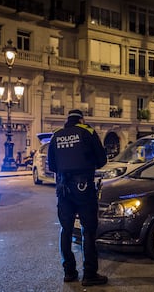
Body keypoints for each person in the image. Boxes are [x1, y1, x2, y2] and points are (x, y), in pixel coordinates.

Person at [48, 109, 108, 286]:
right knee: (87, 229)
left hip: (63, 189)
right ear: (81, 119)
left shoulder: (56, 135)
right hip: (84, 187)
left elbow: (52, 165)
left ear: (67, 120)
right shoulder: (87, 132)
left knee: (65, 229)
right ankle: (89, 274)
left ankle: (69, 272)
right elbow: (102, 160)